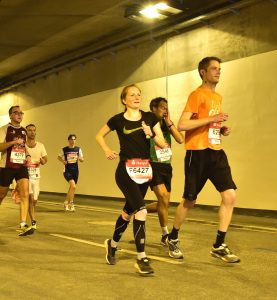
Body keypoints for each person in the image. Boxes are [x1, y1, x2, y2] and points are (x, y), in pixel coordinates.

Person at [166, 57, 240, 263]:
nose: (218, 72)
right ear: (202, 72)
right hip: (197, 154)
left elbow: (207, 124)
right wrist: (211, 120)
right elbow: (182, 125)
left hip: (216, 152)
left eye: (220, 69)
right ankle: (172, 237)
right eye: (214, 69)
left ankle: (219, 245)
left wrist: (220, 128)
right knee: (190, 200)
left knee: (230, 196)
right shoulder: (196, 95)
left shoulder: (217, 96)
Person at [96, 84, 166, 275]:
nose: (136, 97)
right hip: (125, 170)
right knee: (141, 210)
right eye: (132, 95)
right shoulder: (117, 120)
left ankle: (112, 245)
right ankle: (141, 257)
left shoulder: (150, 118)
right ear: (124, 99)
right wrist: (107, 150)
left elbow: (163, 143)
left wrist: (151, 134)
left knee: (128, 212)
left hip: (144, 171)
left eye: (139, 94)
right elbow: (99, 135)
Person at [145, 97, 183, 245]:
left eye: (166, 107)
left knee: (164, 202)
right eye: (162, 107)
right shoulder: (148, 122)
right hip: (152, 164)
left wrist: (169, 122)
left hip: (166, 166)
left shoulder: (167, 125)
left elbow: (180, 139)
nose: (165, 110)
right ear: (153, 108)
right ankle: (165, 234)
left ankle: (139, 209)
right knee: (163, 196)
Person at [0, 106, 34, 236]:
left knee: (25, 193)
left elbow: (23, 146)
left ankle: (23, 224)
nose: (19, 115)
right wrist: (13, 141)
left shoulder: (24, 131)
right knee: (1, 195)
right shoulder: (4, 129)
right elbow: (0, 146)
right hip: (6, 166)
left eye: (21, 113)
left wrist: (28, 155)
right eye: (16, 113)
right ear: (10, 115)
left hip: (21, 167)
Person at [25, 124, 47, 229]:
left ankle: (28, 218)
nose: (32, 132)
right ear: (26, 132)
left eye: (34, 130)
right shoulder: (23, 146)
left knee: (34, 199)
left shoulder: (40, 146)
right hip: (25, 175)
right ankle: (32, 221)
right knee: (28, 198)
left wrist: (43, 160)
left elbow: (45, 159)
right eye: (30, 130)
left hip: (36, 175)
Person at [58, 134, 84, 212]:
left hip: (75, 170)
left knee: (72, 187)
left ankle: (66, 202)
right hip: (67, 170)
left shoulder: (78, 149)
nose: (73, 141)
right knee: (73, 186)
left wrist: (80, 158)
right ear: (69, 140)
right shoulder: (64, 149)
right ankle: (71, 204)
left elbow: (82, 159)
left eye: (74, 139)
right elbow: (59, 156)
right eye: (71, 139)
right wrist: (63, 161)